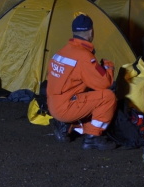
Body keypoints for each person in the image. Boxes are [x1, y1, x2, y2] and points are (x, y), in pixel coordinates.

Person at [46, 13, 117, 150]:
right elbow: (104, 83)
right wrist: (108, 67)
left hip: (53, 104)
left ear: (74, 32)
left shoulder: (63, 51)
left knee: (87, 93)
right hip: (65, 108)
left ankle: (66, 125)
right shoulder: (83, 56)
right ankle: (92, 137)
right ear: (91, 32)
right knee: (108, 97)